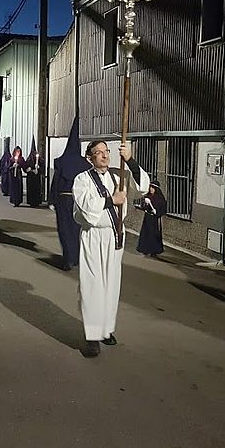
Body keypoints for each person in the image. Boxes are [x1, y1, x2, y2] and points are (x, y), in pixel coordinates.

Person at [73, 140, 150, 357]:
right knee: (93, 284)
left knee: (111, 284)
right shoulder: (82, 179)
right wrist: (111, 200)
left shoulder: (119, 176)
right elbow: (86, 206)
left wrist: (130, 159)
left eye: (106, 151)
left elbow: (142, 187)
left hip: (115, 235)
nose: (105, 155)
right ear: (90, 157)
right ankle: (92, 337)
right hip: (93, 235)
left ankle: (106, 329)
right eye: (98, 152)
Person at [49, 117, 91, 270]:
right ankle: (75, 258)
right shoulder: (84, 165)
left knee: (64, 229)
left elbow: (56, 183)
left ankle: (68, 258)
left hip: (63, 200)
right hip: (78, 201)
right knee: (75, 230)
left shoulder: (62, 162)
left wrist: (52, 200)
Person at [135, 179, 167, 257]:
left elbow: (163, 210)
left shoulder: (160, 199)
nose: (151, 189)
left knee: (154, 235)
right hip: (148, 218)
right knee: (146, 234)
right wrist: (145, 205)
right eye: (150, 187)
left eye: (153, 188)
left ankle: (154, 250)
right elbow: (143, 206)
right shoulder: (148, 197)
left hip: (155, 220)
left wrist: (157, 212)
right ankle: (145, 250)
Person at [25, 137, 45, 208]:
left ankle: (36, 201)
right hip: (30, 177)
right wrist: (29, 169)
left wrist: (38, 168)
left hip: (36, 178)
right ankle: (31, 202)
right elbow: (26, 167)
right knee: (31, 190)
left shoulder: (39, 159)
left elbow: (42, 166)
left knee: (36, 190)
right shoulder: (29, 159)